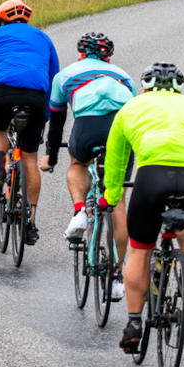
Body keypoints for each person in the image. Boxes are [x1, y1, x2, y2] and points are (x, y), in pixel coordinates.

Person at [104, 64, 184, 356]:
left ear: (145, 86)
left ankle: (134, 325)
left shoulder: (131, 107)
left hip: (152, 176)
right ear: (178, 87)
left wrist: (112, 197)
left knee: (140, 248)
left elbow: (116, 160)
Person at [0, 0, 61, 245]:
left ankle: (0, 169)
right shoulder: (43, 38)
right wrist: (48, 114)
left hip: (3, 93)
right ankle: (31, 221)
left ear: (0, 19)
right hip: (37, 97)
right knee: (30, 156)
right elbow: (54, 76)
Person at [45, 32, 138, 249]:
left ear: (81, 54)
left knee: (78, 164)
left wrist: (51, 157)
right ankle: (116, 278)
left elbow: (57, 122)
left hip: (88, 124)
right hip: (120, 125)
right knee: (118, 200)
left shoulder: (64, 75)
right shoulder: (124, 77)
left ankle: (79, 212)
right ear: (108, 57)